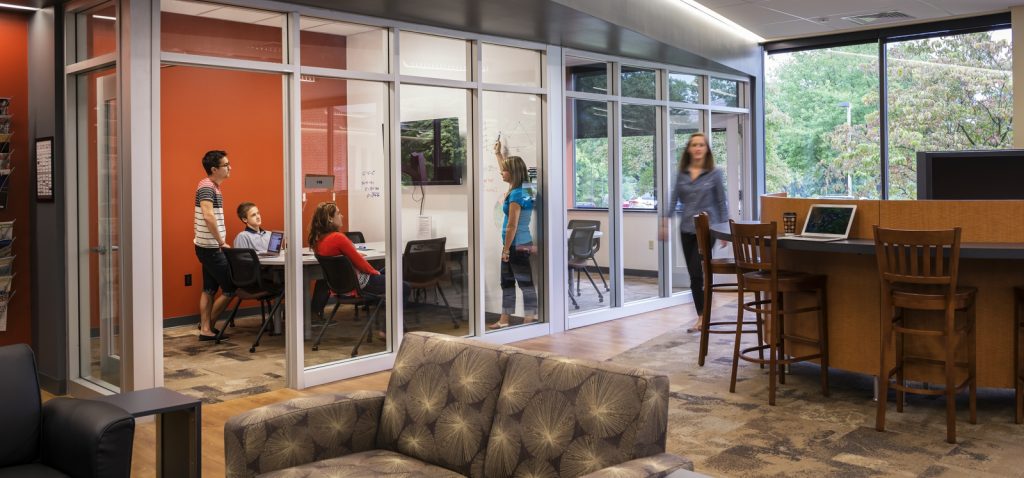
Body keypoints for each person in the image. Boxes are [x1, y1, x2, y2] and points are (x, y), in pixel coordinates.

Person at [658, 133, 728, 333]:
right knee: (694, 276)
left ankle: (702, 317)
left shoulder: (714, 173)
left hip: (708, 229)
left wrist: (723, 230)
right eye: (694, 145)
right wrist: (665, 222)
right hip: (686, 229)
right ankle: (701, 313)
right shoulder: (682, 174)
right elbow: (673, 200)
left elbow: (722, 202)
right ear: (689, 149)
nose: (698, 148)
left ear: (706, 149)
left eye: (701, 145)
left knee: (698, 272)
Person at [488, 139, 538, 329]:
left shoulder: (517, 194)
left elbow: (512, 226)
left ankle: (527, 321)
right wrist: (498, 154)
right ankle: (505, 320)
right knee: (509, 283)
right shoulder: (526, 189)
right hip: (522, 243)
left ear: (513, 173)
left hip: (515, 245)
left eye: (504, 170)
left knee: (516, 284)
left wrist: (506, 249)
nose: (501, 172)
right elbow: (508, 171)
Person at [194, 150, 235, 341]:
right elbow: (208, 215)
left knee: (209, 288)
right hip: (211, 248)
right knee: (230, 288)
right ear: (214, 169)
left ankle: (205, 328)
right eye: (226, 165)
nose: (230, 168)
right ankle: (207, 327)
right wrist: (221, 242)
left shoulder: (213, 187)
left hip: (206, 247)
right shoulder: (206, 187)